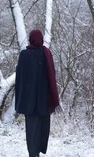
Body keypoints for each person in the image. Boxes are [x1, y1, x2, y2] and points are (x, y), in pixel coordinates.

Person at [15, 29, 60, 157]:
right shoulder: (47, 53)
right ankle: (38, 152)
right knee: (42, 129)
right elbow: (52, 76)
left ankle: (33, 154)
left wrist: (21, 99)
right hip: (44, 101)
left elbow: (20, 79)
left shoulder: (25, 54)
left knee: (32, 130)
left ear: (30, 39)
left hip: (30, 101)